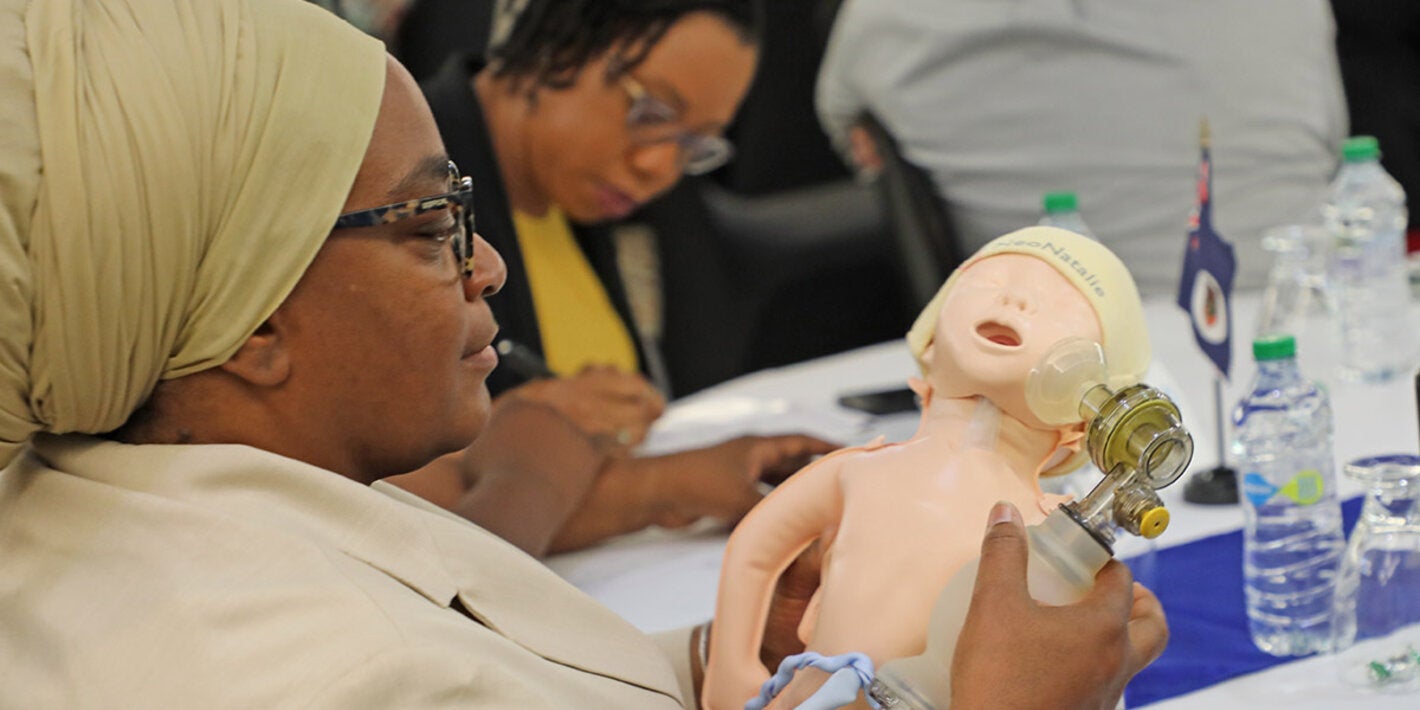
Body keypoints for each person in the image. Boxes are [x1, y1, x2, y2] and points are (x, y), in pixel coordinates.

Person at [0, 0, 1165, 705]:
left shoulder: (146, 500)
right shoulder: (324, 676)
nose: (485, 266)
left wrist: (726, 654)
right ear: (250, 316)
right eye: (427, 224)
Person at [390, 0, 837, 557]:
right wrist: (654, 486)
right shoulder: (404, 189)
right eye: (650, 114)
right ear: (553, 41)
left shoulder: (614, 204)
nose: (660, 168)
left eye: (695, 145)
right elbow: (389, 498)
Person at [702, 228, 1154, 708]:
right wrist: (732, 670)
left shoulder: (1053, 540)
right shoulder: (859, 471)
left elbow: (1087, 666)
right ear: (931, 343)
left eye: (1061, 306)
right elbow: (754, 551)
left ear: (1085, 424)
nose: (1016, 299)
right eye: (991, 281)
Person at [816, 0, 1348, 296]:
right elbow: (1329, 146)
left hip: (1057, 380)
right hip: (1319, 329)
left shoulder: (885, 18)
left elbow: (858, 136)